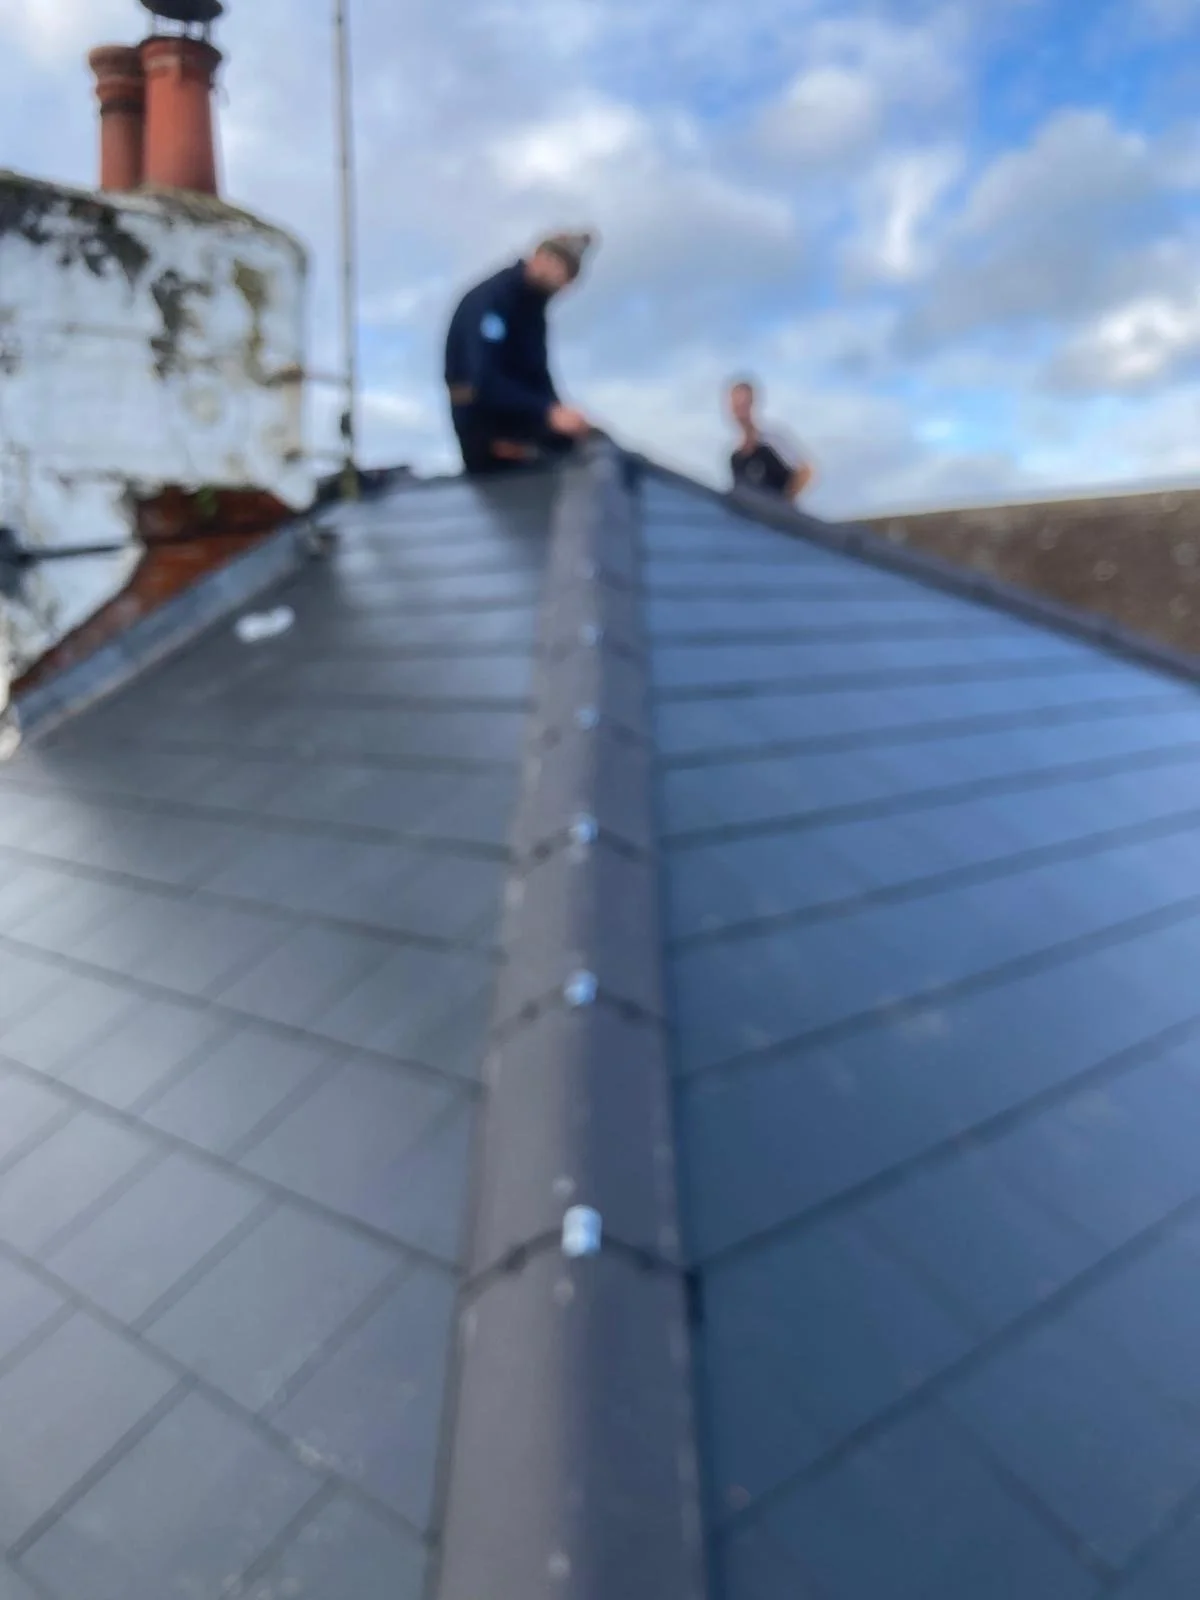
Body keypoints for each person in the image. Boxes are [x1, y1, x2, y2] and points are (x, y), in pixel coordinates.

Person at [444, 231, 597, 476]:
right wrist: (547, 412)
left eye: (568, 275)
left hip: (528, 425)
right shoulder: (492, 300)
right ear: (539, 256)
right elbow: (482, 382)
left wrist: (561, 413)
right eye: (559, 266)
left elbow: (539, 378)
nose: (561, 280)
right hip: (488, 436)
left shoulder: (533, 313)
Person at [727, 378, 814, 502]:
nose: (740, 411)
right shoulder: (735, 456)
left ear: (752, 403)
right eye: (736, 405)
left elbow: (806, 471)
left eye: (743, 404)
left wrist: (784, 502)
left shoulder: (772, 440)